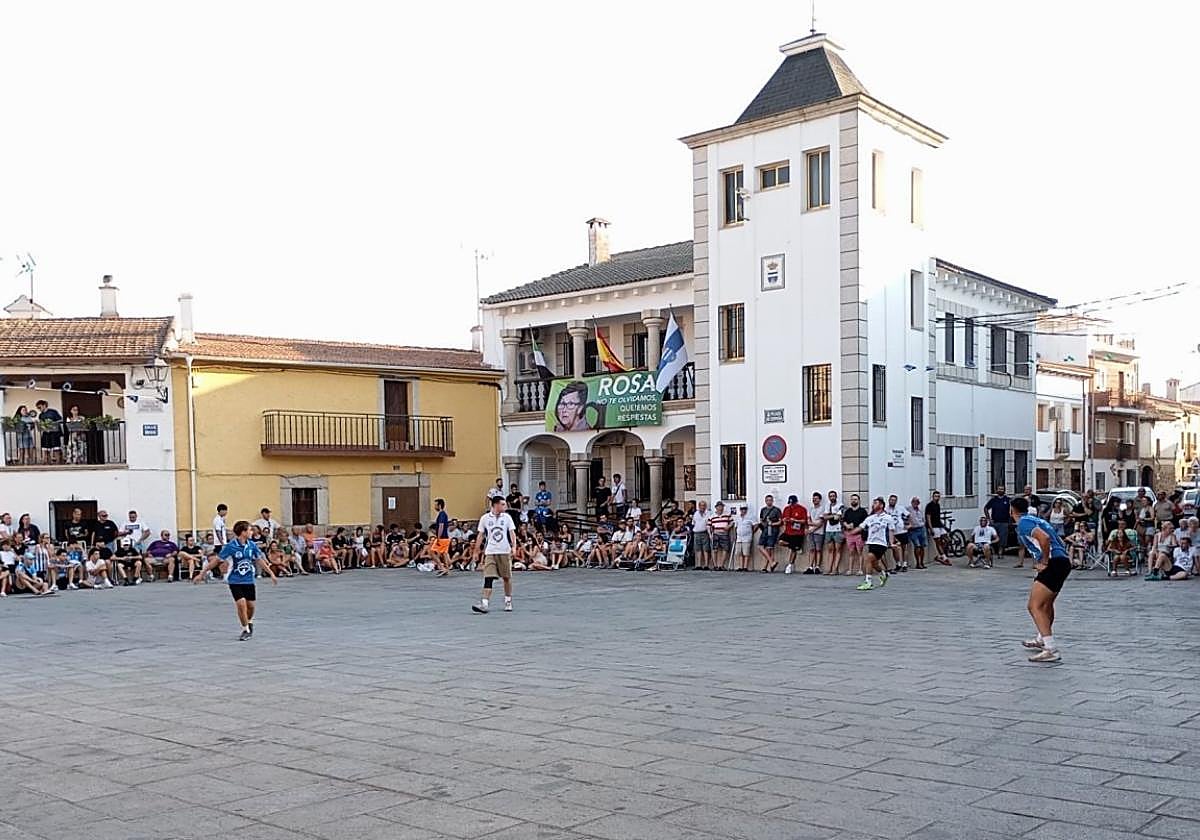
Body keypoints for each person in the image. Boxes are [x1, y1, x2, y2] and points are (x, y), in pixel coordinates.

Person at [194, 520, 277, 641]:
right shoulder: (231, 546)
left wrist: (271, 573)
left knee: (251, 606)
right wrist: (202, 573)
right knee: (241, 604)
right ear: (243, 532)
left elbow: (259, 560)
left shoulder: (252, 545)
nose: (251, 532)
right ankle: (245, 629)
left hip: (249, 580)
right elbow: (217, 560)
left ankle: (249, 621)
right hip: (235, 580)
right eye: (249, 530)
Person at [1013, 496, 1072, 663]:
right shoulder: (1036, 519)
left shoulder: (1024, 522)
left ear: (1012, 511)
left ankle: (1051, 648)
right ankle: (1042, 638)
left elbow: (1044, 539)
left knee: (1034, 606)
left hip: (1053, 562)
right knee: (1046, 604)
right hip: (1061, 561)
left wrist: (1044, 561)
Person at [472, 496, 516, 614]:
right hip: (490, 551)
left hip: (504, 551)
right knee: (488, 577)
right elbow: (480, 535)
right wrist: (476, 551)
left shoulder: (507, 518)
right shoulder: (485, 518)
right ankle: (484, 603)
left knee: (506, 577)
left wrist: (514, 546)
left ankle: (508, 600)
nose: (505, 506)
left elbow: (512, 533)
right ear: (495, 505)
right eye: (502, 504)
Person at [857, 498, 895, 591]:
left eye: (876, 503)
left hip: (881, 543)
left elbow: (891, 530)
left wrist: (892, 542)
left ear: (881, 505)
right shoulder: (870, 518)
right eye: (873, 503)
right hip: (871, 543)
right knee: (873, 563)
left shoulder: (887, 517)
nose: (873, 505)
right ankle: (883, 574)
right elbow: (861, 527)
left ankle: (868, 582)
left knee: (868, 558)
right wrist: (851, 532)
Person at [780, 495, 809, 575]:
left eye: (793, 503)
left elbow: (804, 521)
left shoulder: (802, 509)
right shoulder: (786, 509)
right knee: (780, 541)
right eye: (790, 504)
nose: (792, 505)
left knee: (793, 550)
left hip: (797, 532)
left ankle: (790, 565)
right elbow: (783, 519)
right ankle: (795, 546)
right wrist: (785, 520)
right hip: (788, 531)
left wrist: (795, 520)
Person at [983, 486, 1012, 564]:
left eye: (1002, 489)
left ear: (1004, 490)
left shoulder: (1008, 500)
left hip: (1004, 522)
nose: (1000, 490)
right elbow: (986, 508)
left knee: (1003, 538)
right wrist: (988, 519)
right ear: (996, 490)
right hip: (994, 521)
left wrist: (1010, 520)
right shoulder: (993, 500)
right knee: (992, 537)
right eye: (999, 489)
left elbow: (1012, 510)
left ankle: (1000, 552)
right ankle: (990, 551)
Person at [841, 494, 867, 576]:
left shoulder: (863, 511)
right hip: (849, 534)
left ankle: (860, 570)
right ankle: (850, 570)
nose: (853, 501)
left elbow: (865, 523)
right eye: (852, 499)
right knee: (851, 552)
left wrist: (856, 526)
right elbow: (844, 520)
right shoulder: (848, 511)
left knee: (860, 552)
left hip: (859, 534)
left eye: (855, 499)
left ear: (859, 501)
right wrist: (847, 525)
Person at [758, 494, 783, 573]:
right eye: (767, 500)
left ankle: (766, 567)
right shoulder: (763, 510)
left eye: (770, 500)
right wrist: (764, 524)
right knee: (760, 546)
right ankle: (772, 562)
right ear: (765, 501)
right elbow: (761, 519)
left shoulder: (776, 510)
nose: (769, 502)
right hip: (765, 529)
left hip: (773, 530)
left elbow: (780, 521)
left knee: (770, 548)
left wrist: (772, 524)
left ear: (772, 501)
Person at [822, 490, 845, 575]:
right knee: (830, 550)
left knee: (838, 549)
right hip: (829, 529)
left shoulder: (840, 505)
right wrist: (832, 515)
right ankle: (829, 568)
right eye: (830, 496)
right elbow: (824, 517)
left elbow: (838, 517)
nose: (832, 497)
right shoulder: (827, 505)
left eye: (833, 496)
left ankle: (835, 569)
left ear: (836, 497)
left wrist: (829, 515)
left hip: (837, 529)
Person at [34, 399, 63, 463]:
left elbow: (60, 420)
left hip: (54, 433)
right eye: (38, 408)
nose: (39, 409)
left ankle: (58, 463)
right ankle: (47, 462)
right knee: (46, 448)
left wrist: (52, 423)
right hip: (46, 433)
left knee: (56, 448)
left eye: (40, 407)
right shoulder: (41, 415)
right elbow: (41, 424)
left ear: (44, 405)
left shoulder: (53, 412)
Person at [708, 501, 733, 572]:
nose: (720, 508)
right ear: (716, 507)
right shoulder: (712, 516)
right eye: (719, 506)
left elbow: (732, 522)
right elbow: (708, 526)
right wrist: (710, 534)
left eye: (721, 506)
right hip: (715, 534)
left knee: (725, 549)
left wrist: (728, 526)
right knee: (714, 549)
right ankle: (715, 566)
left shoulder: (727, 514)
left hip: (724, 534)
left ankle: (721, 565)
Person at [925, 491, 949, 563]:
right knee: (937, 542)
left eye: (938, 496)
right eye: (935, 496)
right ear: (933, 497)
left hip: (939, 525)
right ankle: (944, 557)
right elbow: (928, 517)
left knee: (947, 539)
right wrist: (931, 528)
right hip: (934, 526)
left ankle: (940, 554)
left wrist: (943, 526)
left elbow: (938, 517)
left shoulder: (938, 505)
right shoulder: (929, 505)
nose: (937, 498)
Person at [431, 498, 452, 577]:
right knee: (444, 553)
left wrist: (438, 537)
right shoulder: (443, 514)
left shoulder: (442, 514)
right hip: (445, 537)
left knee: (432, 552)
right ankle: (446, 569)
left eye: (435, 505)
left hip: (442, 538)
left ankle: (441, 567)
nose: (434, 507)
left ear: (439, 505)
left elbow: (441, 526)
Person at [806, 492, 826, 574]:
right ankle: (810, 566)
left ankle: (817, 566)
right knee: (811, 549)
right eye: (813, 499)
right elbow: (808, 520)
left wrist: (812, 528)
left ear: (820, 500)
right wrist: (811, 527)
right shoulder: (811, 509)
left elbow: (821, 522)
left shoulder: (822, 509)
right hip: (811, 531)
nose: (814, 500)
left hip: (819, 532)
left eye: (816, 499)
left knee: (818, 549)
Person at [906, 496, 927, 570]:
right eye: (914, 502)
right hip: (913, 530)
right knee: (917, 546)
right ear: (912, 502)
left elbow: (923, 519)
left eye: (917, 502)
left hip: (921, 528)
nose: (916, 503)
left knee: (922, 546)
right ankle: (918, 563)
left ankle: (922, 562)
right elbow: (905, 517)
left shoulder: (920, 510)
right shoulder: (908, 509)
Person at [732, 504, 754, 571]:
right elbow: (735, 527)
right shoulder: (737, 517)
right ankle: (741, 566)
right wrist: (734, 535)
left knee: (746, 552)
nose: (743, 510)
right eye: (742, 509)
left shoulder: (751, 516)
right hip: (739, 537)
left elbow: (756, 525)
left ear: (746, 509)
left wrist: (751, 532)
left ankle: (745, 567)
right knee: (739, 552)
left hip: (747, 537)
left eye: (744, 509)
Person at [690, 500, 712, 570]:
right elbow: (693, 523)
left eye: (704, 505)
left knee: (706, 549)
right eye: (701, 505)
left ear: (705, 506)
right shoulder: (696, 513)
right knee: (698, 549)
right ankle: (698, 565)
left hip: (705, 532)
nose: (702, 507)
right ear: (699, 506)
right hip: (696, 533)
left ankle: (706, 565)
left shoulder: (709, 513)